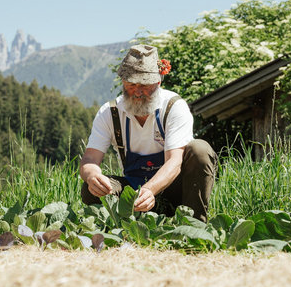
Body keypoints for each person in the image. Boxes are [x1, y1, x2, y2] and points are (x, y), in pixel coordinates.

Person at [79, 44, 216, 222]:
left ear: (158, 82)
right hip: (133, 193)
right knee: (89, 189)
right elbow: (89, 159)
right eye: (131, 84)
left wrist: (150, 190)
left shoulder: (173, 107)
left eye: (144, 85)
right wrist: (93, 176)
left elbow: (174, 161)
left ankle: (193, 226)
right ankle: (121, 229)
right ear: (122, 82)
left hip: (174, 190)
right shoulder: (109, 113)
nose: (137, 92)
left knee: (200, 150)